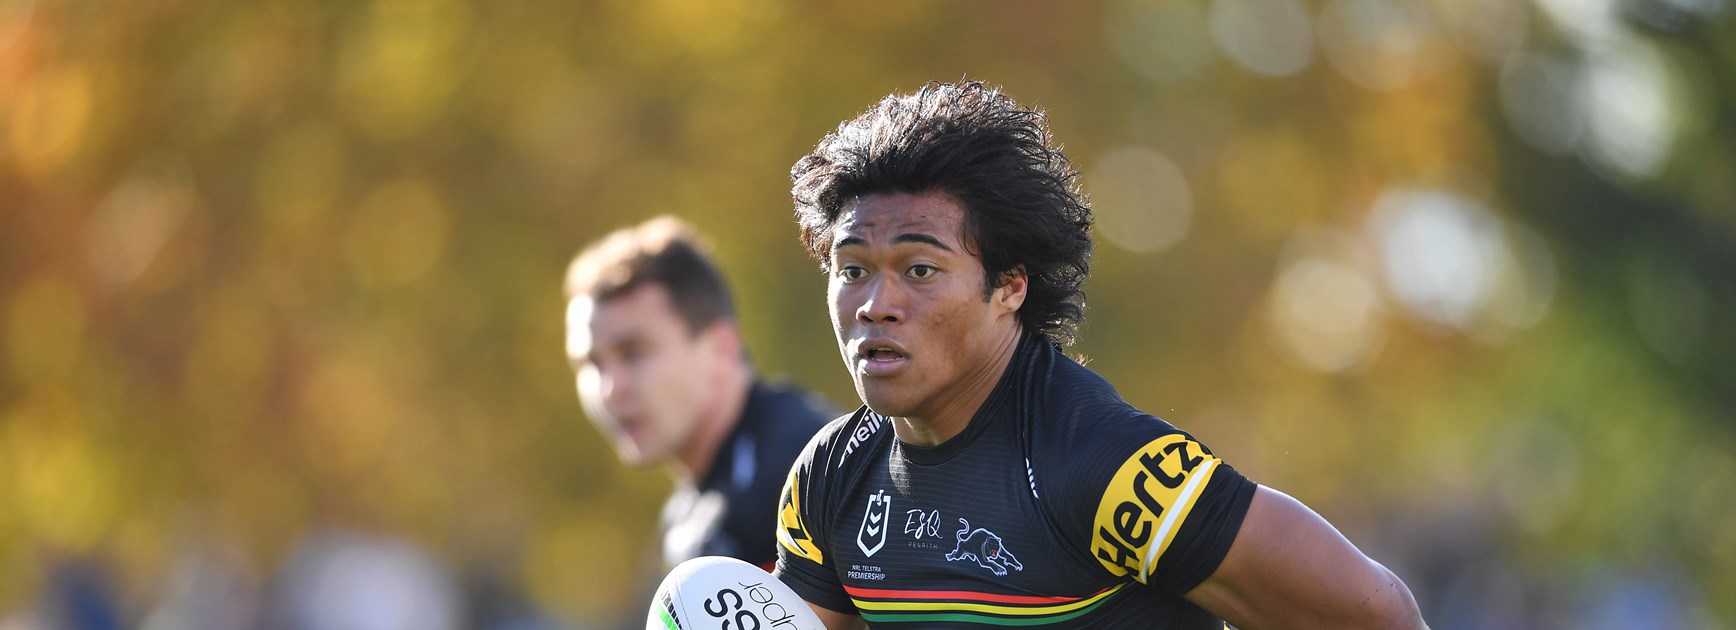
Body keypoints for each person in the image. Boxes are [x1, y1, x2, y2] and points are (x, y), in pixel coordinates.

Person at [771, 81, 1428, 628]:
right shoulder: (830, 476)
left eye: (919, 270)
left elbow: (1381, 616)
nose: (875, 305)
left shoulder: (1103, 466)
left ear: (1010, 286)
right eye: (852, 270)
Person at [564, 216, 835, 571]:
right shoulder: (685, 515)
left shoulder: (811, 469)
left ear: (720, 348)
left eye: (633, 353)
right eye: (591, 364)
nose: (609, 390)